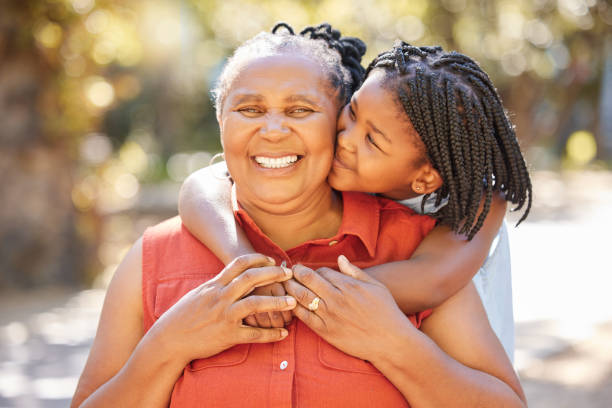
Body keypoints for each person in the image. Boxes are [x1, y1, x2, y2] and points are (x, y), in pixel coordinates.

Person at [72, 23, 526, 407]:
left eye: (301, 110)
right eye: (249, 109)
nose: (273, 130)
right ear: (221, 124)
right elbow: (200, 185)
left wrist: (393, 343)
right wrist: (169, 345)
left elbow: (437, 279)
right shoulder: (158, 254)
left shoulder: (431, 236)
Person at [179, 32, 532, 360]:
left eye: (371, 140)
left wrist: (289, 288)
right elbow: (201, 185)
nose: (345, 137)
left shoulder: (481, 204)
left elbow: (431, 280)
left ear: (425, 178)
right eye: (352, 112)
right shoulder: (347, 168)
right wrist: (243, 262)